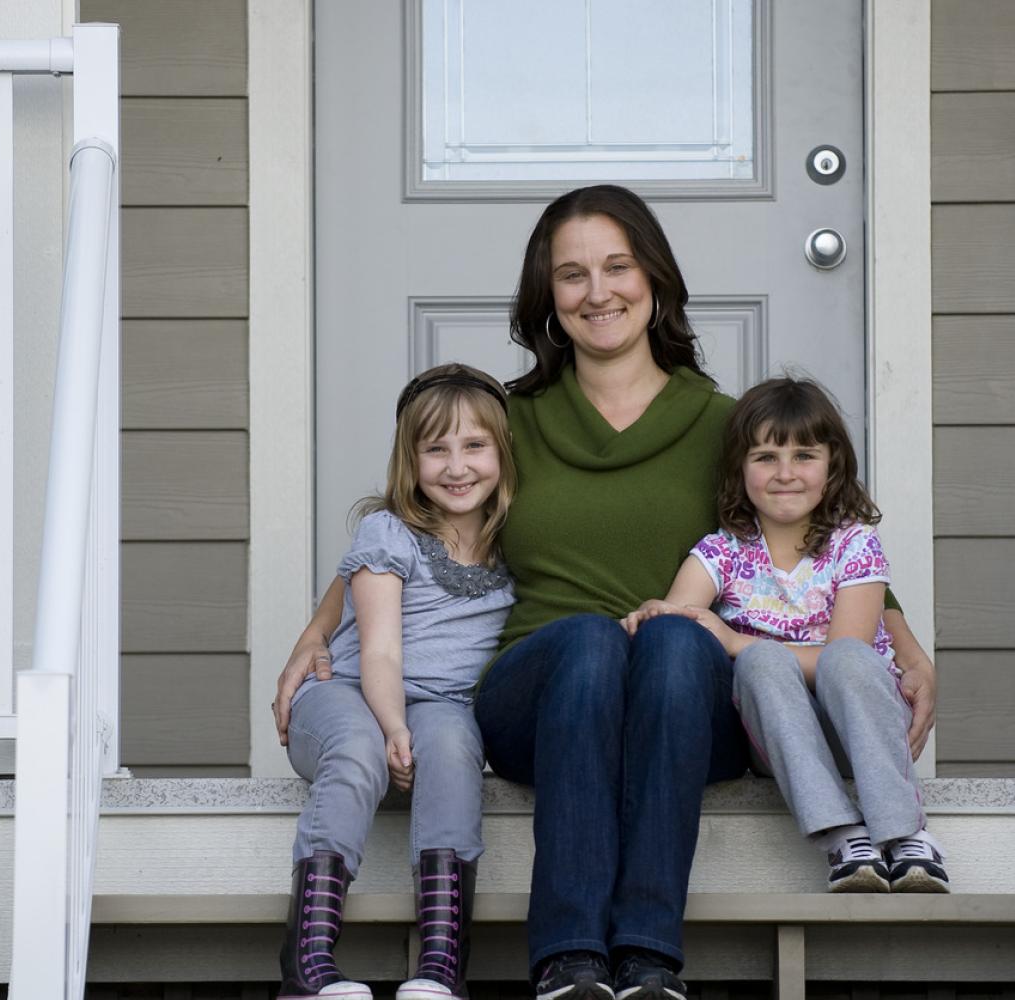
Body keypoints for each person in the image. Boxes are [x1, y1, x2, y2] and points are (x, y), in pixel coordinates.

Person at [274, 186, 940, 1000]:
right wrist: (318, 629)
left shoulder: (724, 426)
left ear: (654, 279)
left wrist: (899, 643)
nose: (598, 292)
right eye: (572, 274)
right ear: (547, 298)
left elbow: (816, 535)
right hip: (541, 693)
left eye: (618, 267)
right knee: (593, 638)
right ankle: (568, 959)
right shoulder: (508, 423)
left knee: (669, 637)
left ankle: (649, 958)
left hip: (687, 701)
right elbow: (407, 531)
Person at [625, 377, 948, 896]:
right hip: (778, 740)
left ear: (832, 465)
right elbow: (681, 614)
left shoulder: (855, 545)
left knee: (835, 657)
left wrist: (733, 642)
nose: (785, 474)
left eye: (804, 456)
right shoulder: (724, 551)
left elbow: (846, 654)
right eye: (765, 457)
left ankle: (907, 833)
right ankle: (845, 837)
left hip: (861, 733)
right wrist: (653, 612)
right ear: (739, 469)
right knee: (761, 666)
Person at [275, 364, 517, 1000]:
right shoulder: (390, 533)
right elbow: (380, 651)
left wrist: (414, 728)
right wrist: (391, 727)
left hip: (439, 706)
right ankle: (309, 958)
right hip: (345, 693)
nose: (456, 466)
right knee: (357, 750)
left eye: (474, 446)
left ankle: (440, 963)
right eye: (435, 448)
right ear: (410, 460)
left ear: (503, 453)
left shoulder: (516, 545)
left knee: (455, 744)